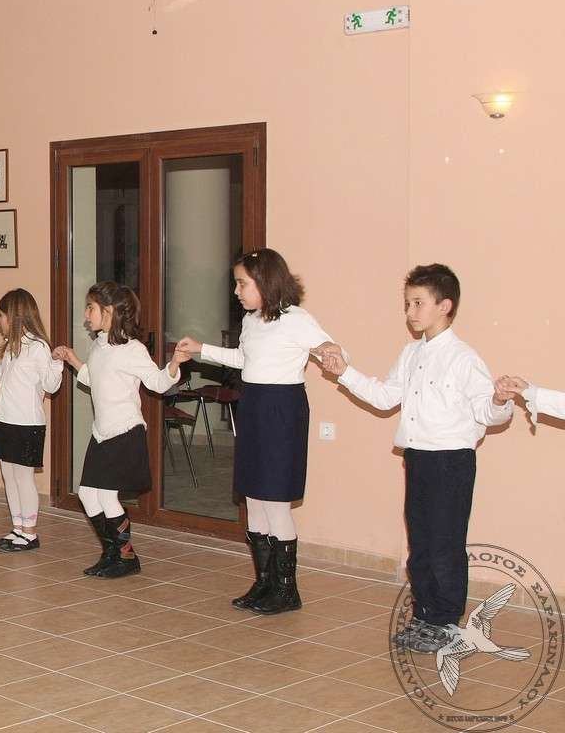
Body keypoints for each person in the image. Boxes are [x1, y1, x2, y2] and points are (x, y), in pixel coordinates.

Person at [316, 264, 515, 651]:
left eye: (418, 303)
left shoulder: (463, 358)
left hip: (451, 462)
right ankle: (425, 615)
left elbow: (488, 413)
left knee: (444, 544)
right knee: (420, 543)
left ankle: (446, 621)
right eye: (407, 303)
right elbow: (384, 396)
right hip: (419, 458)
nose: (410, 312)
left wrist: (498, 399)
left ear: (445, 305)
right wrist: (344, 373)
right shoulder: (411, 354)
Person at [176, 248, 338, 615]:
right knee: (254, 497)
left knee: (275, 499)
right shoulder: (251, 321)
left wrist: (331, 350)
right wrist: (201, 349)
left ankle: (287, 590)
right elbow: (244, 359)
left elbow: (327, 347)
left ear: (265, 281)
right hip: (253, 405)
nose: (237, 291)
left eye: (242, 284)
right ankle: (264, 582)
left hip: (282, 410)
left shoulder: (297, 319)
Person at [54, 282, 189, 578]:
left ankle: (126, 557)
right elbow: (94, 378)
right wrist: (72, 359)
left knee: (106, 496)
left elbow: (157, 383)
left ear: (109, 311)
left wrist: (174, 364)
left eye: (90, 308)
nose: (86, 314)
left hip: (125, 432)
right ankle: (112, 553)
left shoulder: (133, 349)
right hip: (101, 433)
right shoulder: (99, 345)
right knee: (87, 495)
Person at [0, 289, 63, 552]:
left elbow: (51, 386)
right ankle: (17, 528)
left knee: (23, 477)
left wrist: (57, 364)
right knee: (9, 475)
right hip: (6, 420)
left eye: (1, 315)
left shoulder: (38, 347)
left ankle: (30, 532)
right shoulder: (12, 347)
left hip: (28, 423)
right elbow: (2, 375)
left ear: (14, 315)